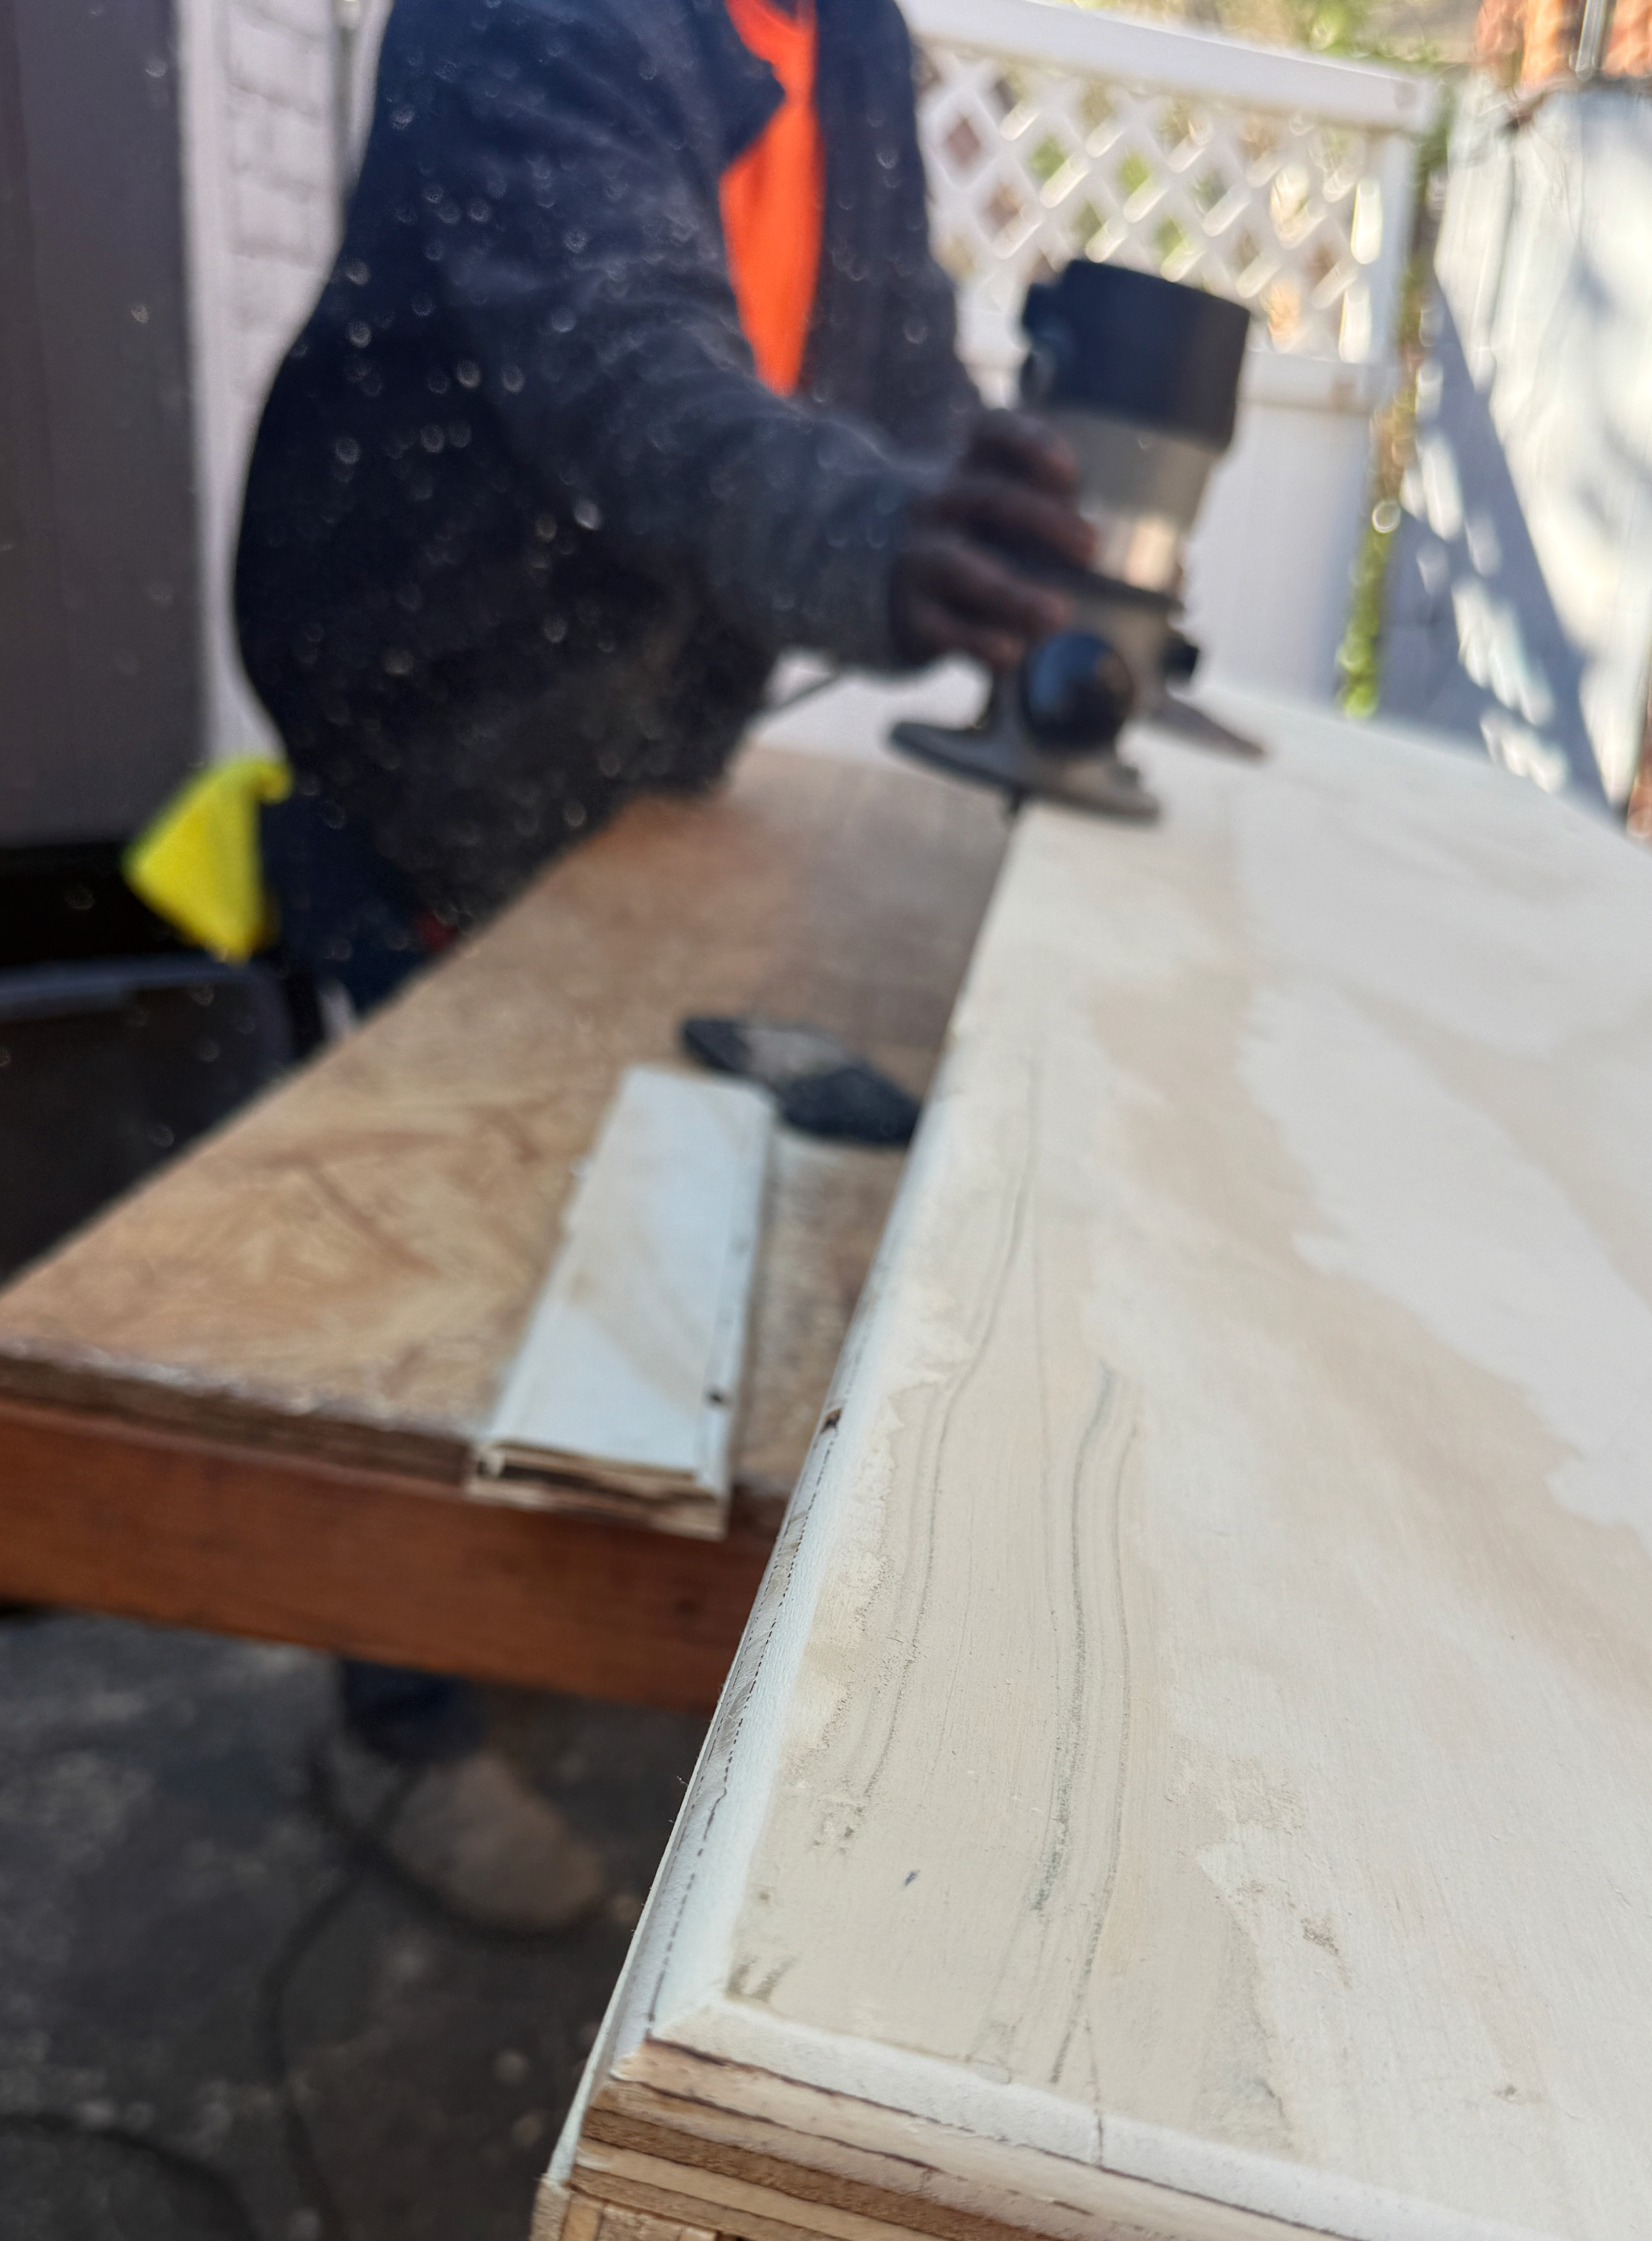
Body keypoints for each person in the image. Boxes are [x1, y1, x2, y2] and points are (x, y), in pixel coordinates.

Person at [232, 0, 1092, 1929]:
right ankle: (401, 1731)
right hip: (431, 716)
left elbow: (889, 363)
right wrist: (884, 536)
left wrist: (1002, 512)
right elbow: (621, 373)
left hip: (629, 731)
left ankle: (531, 1614)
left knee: (613, 1197)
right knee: (447, 1242)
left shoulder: (844, 32)